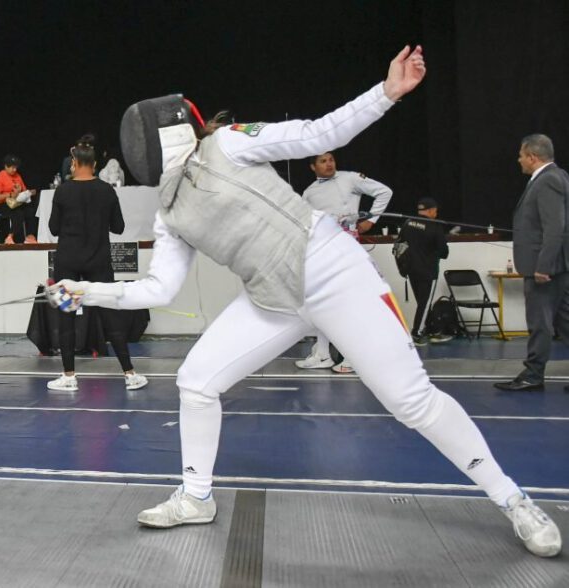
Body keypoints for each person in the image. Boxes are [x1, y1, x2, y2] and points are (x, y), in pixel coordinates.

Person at [48, 46, 561, 557]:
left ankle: (513, 499)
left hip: (335, 273)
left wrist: (386, 93)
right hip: (273, 302)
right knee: (196, 381)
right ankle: (196, 496)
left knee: (412, 402)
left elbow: (318, 133)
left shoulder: (228, 143)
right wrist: (87, 290)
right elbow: (158, 289)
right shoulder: (169, 211)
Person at [46, 140, 147, 392]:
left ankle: (69, 376)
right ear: (95, 165)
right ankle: (130, 373)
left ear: (74, 163)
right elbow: (119, 227)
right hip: (99, 259)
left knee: (66, 316)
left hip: (68, 260)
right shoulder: (106, 190)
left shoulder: (63, 191)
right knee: (110, 314)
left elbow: (53, 228)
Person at [296, 151, 394, 373]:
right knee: (322, 301)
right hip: (322, 250)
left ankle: (353, 356)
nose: (329, 164)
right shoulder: (309, 193)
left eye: (331, 159)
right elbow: (303, 222)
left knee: (350, 302)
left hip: (347, 246)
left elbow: (384, 192)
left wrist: (371, 220)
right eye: (323, 161)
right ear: (313, 167)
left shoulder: (349, 178)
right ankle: (322, 354)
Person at [495, 134, 569, 391]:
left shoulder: (548, 180)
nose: (518, 160)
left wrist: (543, 266)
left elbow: (554, 227)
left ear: (532, 157)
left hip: (546, 268)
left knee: (540, 322)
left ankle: (533, 375)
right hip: (558, 266)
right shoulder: (558, 177)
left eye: (521, 155)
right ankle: (534, 373)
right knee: (564, 321)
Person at [398, 197, 450, 345]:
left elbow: (400, 244)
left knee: (422, 302)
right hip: (428, 270)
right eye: (436, 211)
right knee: (425, 303)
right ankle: (417, 333)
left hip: (410, 269)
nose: (436, 213)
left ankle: (432, 330)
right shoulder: (435, 226)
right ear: (431, 210)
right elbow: (444, 252)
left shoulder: (408, 223)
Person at [0, 154, 38, 244]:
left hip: (17, 202)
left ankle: (30, 236)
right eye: (12, 168)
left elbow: (24, 190)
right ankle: (10, 236)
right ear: (6, 166)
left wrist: (29, 192)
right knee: (18, 213)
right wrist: (10, 194)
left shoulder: (17, 176)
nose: (15, 170)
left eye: (16, 167)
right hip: (3, 204)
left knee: (31, 211)